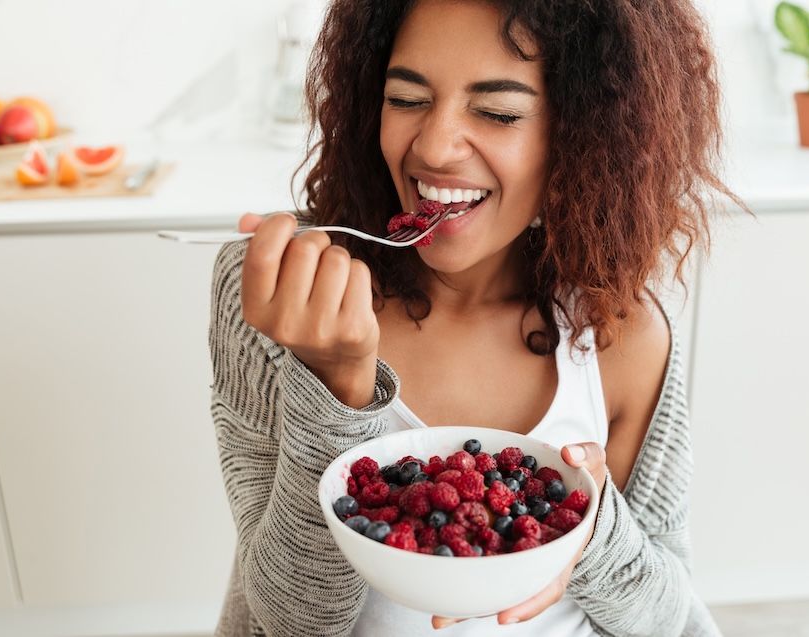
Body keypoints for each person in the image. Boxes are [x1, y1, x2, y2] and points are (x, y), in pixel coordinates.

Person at [210, 0, 743, 635]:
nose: (433, 146)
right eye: (406, 99)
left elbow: (665, 618)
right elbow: (293, 620)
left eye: (497, 112)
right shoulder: (287, 300)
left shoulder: (621, 332)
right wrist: (336, 392)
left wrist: (594, 531)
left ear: (584, 134)